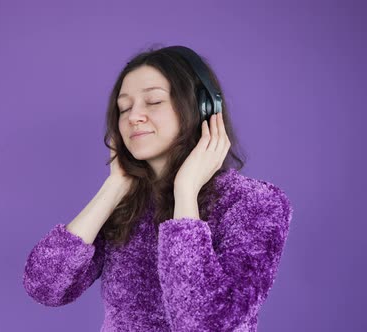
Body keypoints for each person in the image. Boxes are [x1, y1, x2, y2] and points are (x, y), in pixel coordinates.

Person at [22, 45, 293, 332]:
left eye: (153, 101)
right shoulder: (128, 203)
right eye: (124, 107)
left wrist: (185, 193)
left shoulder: (254, 203)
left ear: (203, 108)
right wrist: (113, 187)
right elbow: (45, 286)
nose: (133, 116)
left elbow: (205, 325)